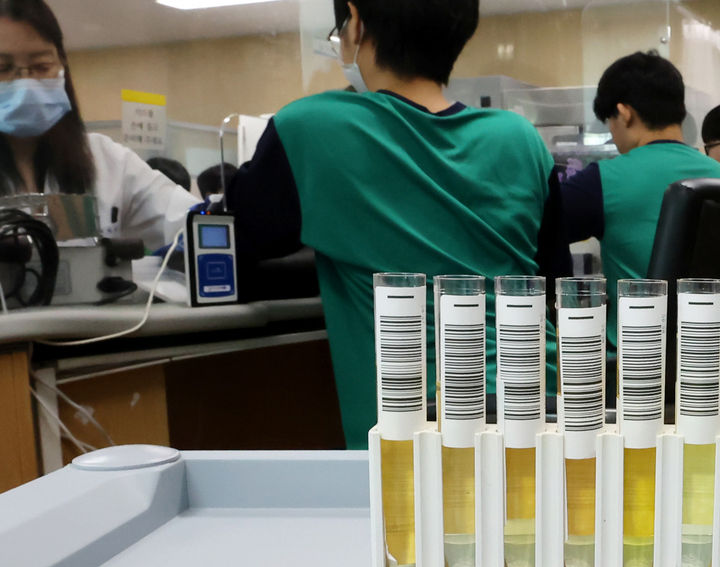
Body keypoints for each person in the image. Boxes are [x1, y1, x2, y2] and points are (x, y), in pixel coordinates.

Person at [225, 0, 570, 449]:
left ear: (356, 22)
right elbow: (555, 284)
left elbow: (240, 240)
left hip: (413, 434)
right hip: (540, 409)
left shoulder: (310, 128)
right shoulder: (521, 139)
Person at [0, 0, 198, 251]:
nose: (25, 84)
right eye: (3, 68)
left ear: (62, 67)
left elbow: (188, 220)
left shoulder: (105, 160)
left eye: (41, 66)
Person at [561, 51, 720, 353]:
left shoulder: (601, 181)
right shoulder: (717, 175)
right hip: (709, 357)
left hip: (635, 361)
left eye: (609, 122)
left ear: (624, 114)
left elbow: (535, 233)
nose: (612, 134)